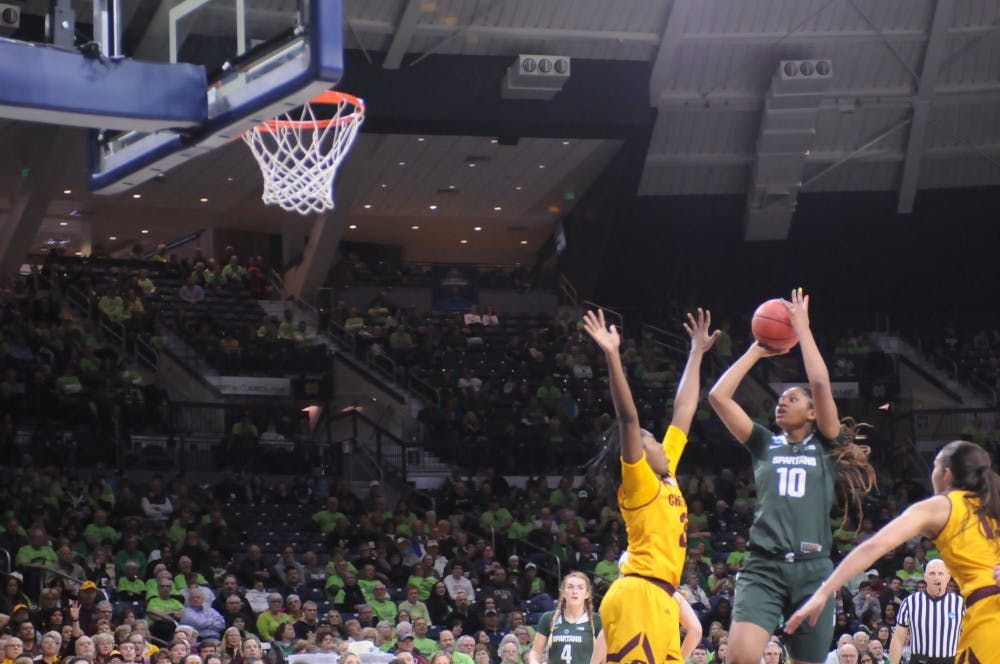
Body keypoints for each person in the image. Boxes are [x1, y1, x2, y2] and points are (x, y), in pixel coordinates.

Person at [708, 289, 875, 664]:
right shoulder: (764, 443)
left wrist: (802, 328)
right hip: (763, 567)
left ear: (814, 414)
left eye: (793, 399)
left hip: (813, 572)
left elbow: (819, 383)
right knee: (739, 659)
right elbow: (718, 397)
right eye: (780, 398)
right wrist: (756, 349)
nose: (782, 401)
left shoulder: (828, 444)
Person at [581, 308, 716, 664]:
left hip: (662, 597)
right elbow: (628, 418)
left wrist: (696, 352)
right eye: (652, 440)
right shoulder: (639, 483)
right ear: (639, 453)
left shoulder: (666, 470)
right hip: (638, 593)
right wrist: (612, 355)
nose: (660, 442)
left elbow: (684, 409)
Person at [786, 440, 1000, 664]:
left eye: (934, 466)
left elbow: (874, 546)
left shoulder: (942, 505)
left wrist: (823, 592)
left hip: (989, 617)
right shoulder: (992, 504)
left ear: (946, 473)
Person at [886, 559, 963, 664]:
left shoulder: (960, 603)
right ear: (925, 577)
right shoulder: (910, 602)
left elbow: (970, 637)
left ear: (948, 577)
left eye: (940, 573)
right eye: (932, 573)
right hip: (920, 660)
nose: (936, 577)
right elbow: (898, 638)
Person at [527, 572, 600, 664]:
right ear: (563, 592)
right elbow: (535, 652)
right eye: (570, 587)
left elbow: (605, 655)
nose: (575, 591)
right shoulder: (549, 618)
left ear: (587, 594)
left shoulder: (596, 621)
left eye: (580, 588)